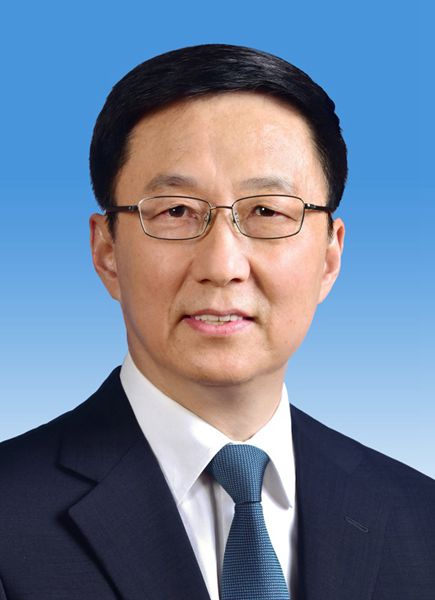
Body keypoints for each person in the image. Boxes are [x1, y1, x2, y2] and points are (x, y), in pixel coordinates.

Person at [0, 44, 433, 600]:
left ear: (330, 257)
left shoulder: (421, 519)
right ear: (107, 252)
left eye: (267, 211)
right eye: (176, 211)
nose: (223, 266)